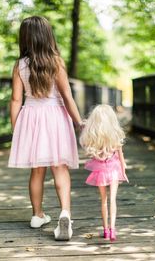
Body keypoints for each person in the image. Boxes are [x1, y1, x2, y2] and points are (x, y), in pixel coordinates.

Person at [8, 16, 83, 241]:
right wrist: (79, 122)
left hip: (31, 117)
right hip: (56, 117)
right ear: (48, 35)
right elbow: (67, 96)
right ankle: (65, 213)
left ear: (25, 38)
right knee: (60, 167)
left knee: (37, 169)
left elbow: (15, 100)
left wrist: (16, 129)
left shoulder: (20, 65)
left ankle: (37, 215)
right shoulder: (56, 62)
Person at [79, 104, 128, 242]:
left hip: (100, 171)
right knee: (113, 200)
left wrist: (85, 124)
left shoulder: (93, 138)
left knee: (103, 201)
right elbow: (122, 159)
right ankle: (112, 230)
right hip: (113, 171)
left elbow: (84, 128)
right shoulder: (115, 137)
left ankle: (105, 230)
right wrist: (123, 172)